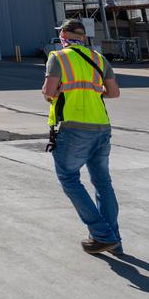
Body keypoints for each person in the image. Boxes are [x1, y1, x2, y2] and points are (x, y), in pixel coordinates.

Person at [42, 19, 122, 254]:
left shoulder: (58, 57)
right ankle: (114, 239)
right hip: (102, 126)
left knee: (68, 178)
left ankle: (102, 234)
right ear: (84, 38)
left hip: (73, 127)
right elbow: (114, 93)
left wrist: (60, 92)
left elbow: (49, 92)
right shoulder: (99, 59)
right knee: (102, 183)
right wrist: (90, 91)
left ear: (64, 35)